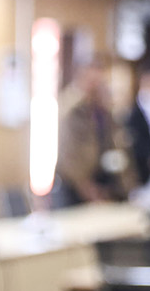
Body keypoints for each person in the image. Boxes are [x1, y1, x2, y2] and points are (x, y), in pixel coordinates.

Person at [54, 55, 138, 205]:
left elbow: (115, 145)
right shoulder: (71, 109)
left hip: (101, 179)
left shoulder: (103, 110)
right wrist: (86, 187)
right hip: (74, 186)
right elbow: (67, 155)